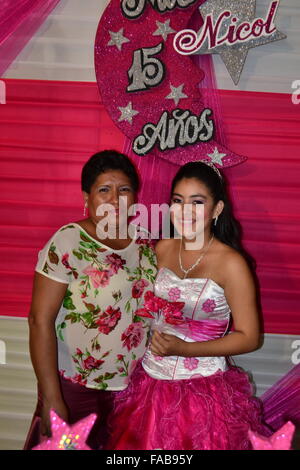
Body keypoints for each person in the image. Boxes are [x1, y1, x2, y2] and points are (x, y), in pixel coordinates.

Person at [105, 160, 272, 450]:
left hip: (204, 392)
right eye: (178, 201)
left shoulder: (232, 264)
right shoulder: (163, 248)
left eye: (197, 202)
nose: (185, 211)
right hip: (150, 383)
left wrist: (184, 349)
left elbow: (250, 337)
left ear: (217, 209)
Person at [24, 150, 157, 450]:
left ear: (135, 197)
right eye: (104, 190)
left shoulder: (146, 243)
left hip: (131, 392)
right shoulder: (69, 240)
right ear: (86, 197)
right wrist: (52, 397)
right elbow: (39, 320)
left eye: (124, 190)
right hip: (75, 390)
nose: (115, 199)